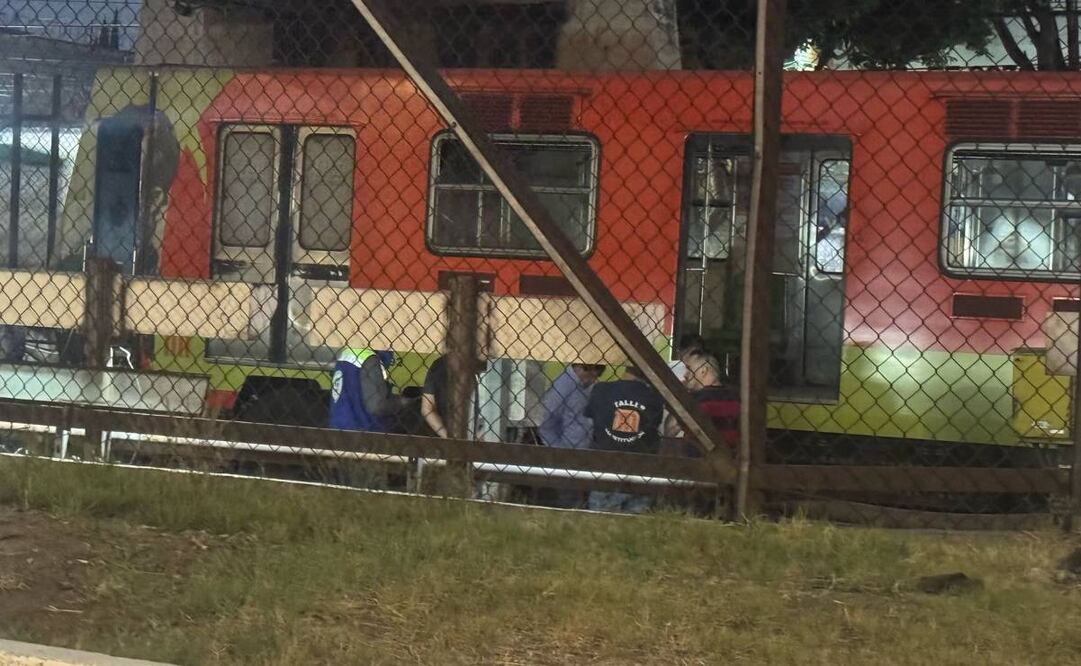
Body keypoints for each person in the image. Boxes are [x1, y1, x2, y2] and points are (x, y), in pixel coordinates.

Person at [583, 365, 665, 513]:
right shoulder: (654, 397)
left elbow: (589, 422)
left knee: (598, 526)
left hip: (605, 469)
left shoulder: (601, 390)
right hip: (640, 472)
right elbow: (655, 428)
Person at [537, 363, 603, 508]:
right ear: (580, 367)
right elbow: (546, 422)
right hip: (567, 453)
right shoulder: (564, 385)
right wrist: (559, 450)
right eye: (592, 374)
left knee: (580, 499)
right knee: (568, 501)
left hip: (585, 452)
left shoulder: (587, 385)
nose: (594, 379)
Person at [666, 351, 740, 455]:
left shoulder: (695, 400)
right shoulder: (736, 399)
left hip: (696, 462)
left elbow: (670, 431)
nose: (685, 374)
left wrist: (680, 394)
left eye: (689, 368)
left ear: (703, 371)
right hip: (730, 461)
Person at [329, 348, 411, 432]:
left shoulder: (346, 353)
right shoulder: (369, 359)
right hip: (363, 430)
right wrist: (401, 402)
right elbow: (376, 406)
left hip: (338, 425)